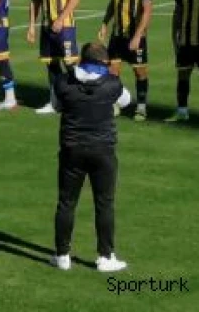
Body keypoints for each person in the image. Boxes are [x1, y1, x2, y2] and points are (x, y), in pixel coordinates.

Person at [51, 42, 129, 274]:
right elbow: (126, 101)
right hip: (103, 150)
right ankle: (105, 257)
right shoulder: (112, 83)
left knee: (66, 202)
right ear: (103, 61)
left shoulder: (63, 81)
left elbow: (56, 107)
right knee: (104, 203)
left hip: (72, 149)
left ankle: (62, 255)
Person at [98, 0, 153, 121]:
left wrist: (138, 36)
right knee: (112, 72)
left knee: (140, 72)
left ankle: (142, 107)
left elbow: (147, 11)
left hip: (135, 36)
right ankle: (114, 104)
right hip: (117, 36)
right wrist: (105, 23)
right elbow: (112, 4)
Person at [29, 0, 81, 115]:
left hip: (65, 27)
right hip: (46, 27)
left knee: (70, 64)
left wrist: (60, 19)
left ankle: (81, 101)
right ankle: (55, 102)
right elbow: (35, 1)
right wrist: (31, 26)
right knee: (51, 65)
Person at [168, 0, 199, 123]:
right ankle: (182, 111)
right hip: (186, 41)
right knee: (182, 76)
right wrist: (175, 36)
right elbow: (178, 13)